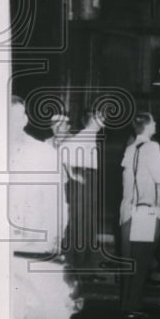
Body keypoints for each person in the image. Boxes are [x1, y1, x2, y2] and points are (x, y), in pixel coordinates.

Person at [8, 96, 76, 319]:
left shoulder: (44, 154)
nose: (17, 121)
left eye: (20, 115)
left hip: (36, 256)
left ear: (24, 119)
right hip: (11, 257)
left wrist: (55, 240)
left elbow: (59, 202)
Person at [119, 112, 160, 318]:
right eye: (154, 122)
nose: (156, 123)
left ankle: (126, 305)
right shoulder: (152, 147)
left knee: (129, 261)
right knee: (141, 261)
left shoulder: (130, 148)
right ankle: (133, 307)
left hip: (127, 211)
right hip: (144, 211)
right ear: (148, 127)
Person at [60, 106, 104, 273]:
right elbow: (63, 151)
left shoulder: (91, 136)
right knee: (80, 222)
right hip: (82, 181)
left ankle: (85, 266)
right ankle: (76, 266)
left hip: (89, 179)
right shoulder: (84, 135)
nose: (103, 120)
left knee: (87, 223)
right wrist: (73, 174)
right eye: (100, 117)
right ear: (92, 119)